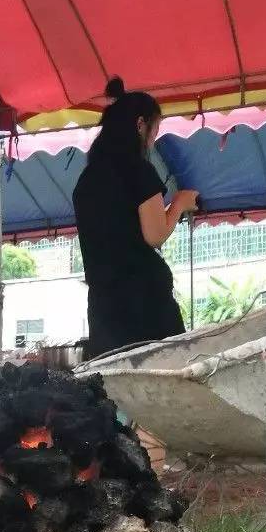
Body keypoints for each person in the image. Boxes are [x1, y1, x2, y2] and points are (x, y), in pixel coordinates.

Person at [73, 78, 198, 359]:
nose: (153, 139)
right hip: (144, 305)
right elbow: (154, 234)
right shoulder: (138, 170)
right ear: (140, 125)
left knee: (117, 388)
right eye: (155, 130)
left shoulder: (86, 180)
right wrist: (179, 203)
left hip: (104, 308)